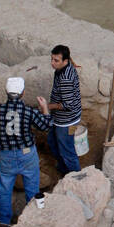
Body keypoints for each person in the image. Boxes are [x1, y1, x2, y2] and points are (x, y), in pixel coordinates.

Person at [0, 78, 50, 226]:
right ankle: (33, 221)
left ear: (6, 92)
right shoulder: (28, 111)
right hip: (27, 154)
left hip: (6, 155)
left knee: (5, 189)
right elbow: (46, 125)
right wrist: (44, 108)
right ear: (23, 93)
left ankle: (2, 224)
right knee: (32, 188)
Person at [44, 44, 82, 176]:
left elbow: (67, 105)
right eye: (52, 59)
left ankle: (76, 177)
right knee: (52, 142)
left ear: (65, 61)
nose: (52, 63)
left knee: (67, 151)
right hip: (59, 118)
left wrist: (48, 106)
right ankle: (63, 168)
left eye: (56, 60)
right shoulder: (65, 66)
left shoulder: (65, 78)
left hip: (66, 121)